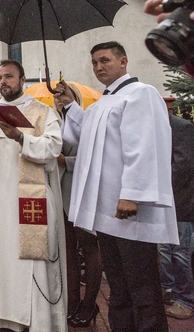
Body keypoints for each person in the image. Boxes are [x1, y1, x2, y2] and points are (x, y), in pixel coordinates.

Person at [65, 41, 178, 331]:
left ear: (123, 61)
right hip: (106, 214)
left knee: (142, 286)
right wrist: (69, 104)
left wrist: (132, 193)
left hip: (128, 210)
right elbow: (86, 138)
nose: (99, 67)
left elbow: (143, 146)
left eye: (105, 60)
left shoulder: (141, 94)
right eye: (94, 63)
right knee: (118, 286)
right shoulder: (104, 101)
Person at [0, 59, 65, 332]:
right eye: (0, 77)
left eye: (9, 77)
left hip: (29, 202)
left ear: (22, 79)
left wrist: (19, 137)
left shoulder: (42, 112)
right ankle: (0, 315)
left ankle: (36, 320)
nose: (3, 82)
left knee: (30, 260)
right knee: (0, 260)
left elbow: (52, 148)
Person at [53, 81, 102, 327]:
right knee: (68, 250)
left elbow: (91, 150)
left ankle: (89, 302)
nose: (59, 96)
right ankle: (71, 301)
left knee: (88, 245)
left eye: (64, 92)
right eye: (57, 94)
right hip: (59, 190)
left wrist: (66, 161)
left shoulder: (83, 117)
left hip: (80, 189)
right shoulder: (56, 119)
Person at [158, 113, 194, 320]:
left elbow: (184, 167)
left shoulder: (182, 127)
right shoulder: (154, 126)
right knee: (163, 249)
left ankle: (186, 300)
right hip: (162, 202)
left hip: (179, 202)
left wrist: (155, 181)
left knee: (180, 252)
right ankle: (169, 290)